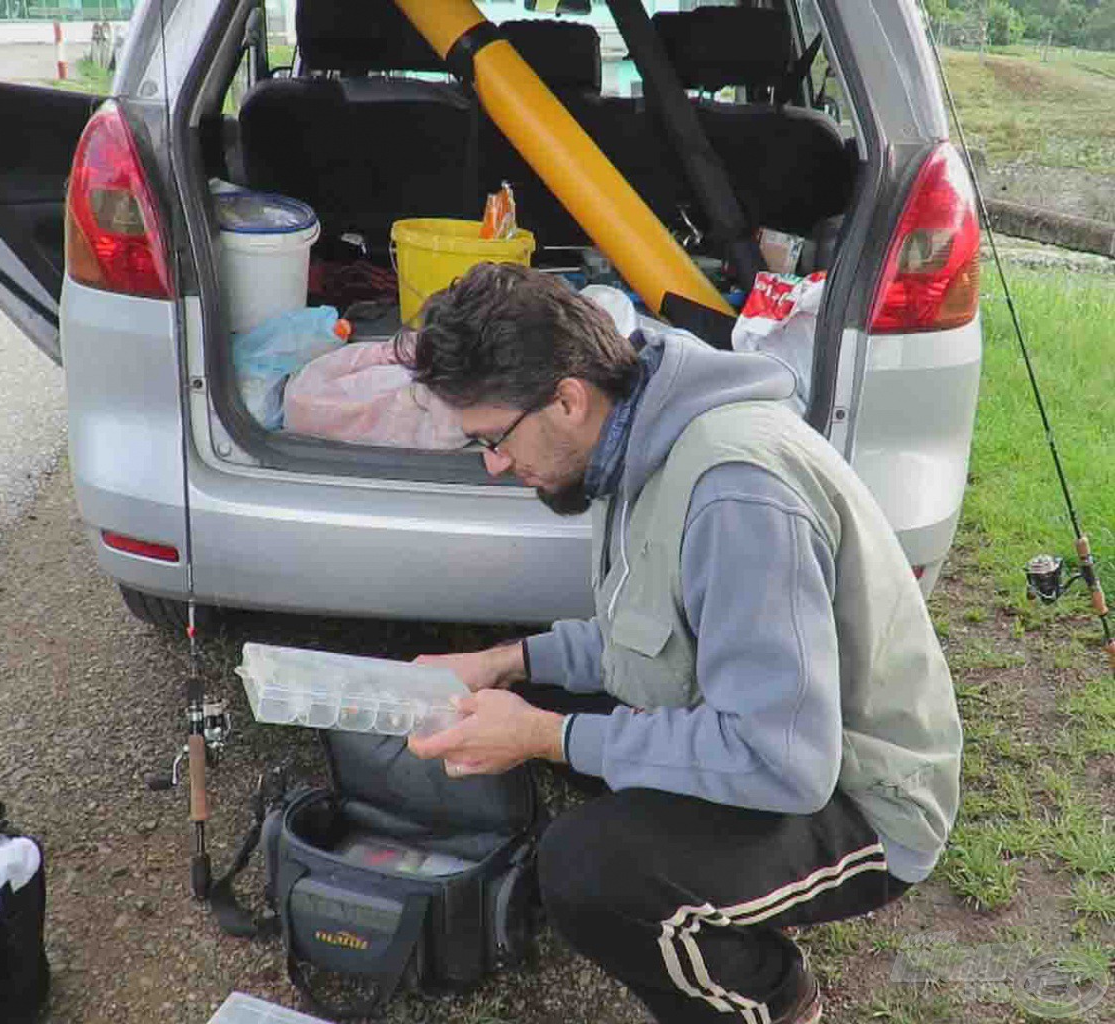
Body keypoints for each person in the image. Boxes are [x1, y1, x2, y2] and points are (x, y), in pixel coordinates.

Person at [397, 263, 962, 1024]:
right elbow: (649, 636)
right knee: (519, 702)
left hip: (862, 797)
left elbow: (783, 761)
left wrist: (547, 737)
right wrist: (507, 664)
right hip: (773, 731)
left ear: (566, 399)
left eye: (494, 440)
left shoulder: (735, 492)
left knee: (588, 868)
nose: (497, 466)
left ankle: (767, 994)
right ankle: (707, 889)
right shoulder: (635, 435)